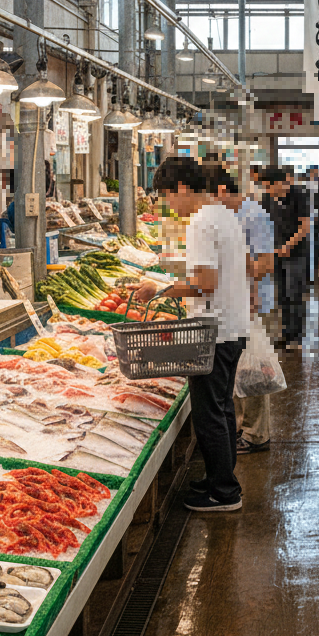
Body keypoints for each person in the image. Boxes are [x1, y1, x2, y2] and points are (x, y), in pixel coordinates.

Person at [130, 157, 249, 513]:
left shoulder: (200, 222)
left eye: (167, 197)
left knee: (208, 413)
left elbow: (204, 284)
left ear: (181, 188)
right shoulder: (223, 214)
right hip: (232, 326)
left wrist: (161, 288)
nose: (169, 205)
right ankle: (221, 478)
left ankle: (224, 493)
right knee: (222, 407)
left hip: (213, 330)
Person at [233, 173, 275, 455]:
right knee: (240, 370)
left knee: (254, 370)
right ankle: (242, 427)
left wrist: (246, 289)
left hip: (251, 299)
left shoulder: (253, 216)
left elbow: (265, 261)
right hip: (240, 300)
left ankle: (256, 434)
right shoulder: (234, 216)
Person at [261, 166, 310, 350]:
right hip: (276, 252)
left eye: (269, 186)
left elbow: (305, 226)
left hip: (297, 252)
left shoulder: (299, 194)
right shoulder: (267, 198)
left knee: (295, 293)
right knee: (282, 295)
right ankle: (286, 333)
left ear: (281, 183)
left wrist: (289, 245)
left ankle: (296, 336)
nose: (268, 191)